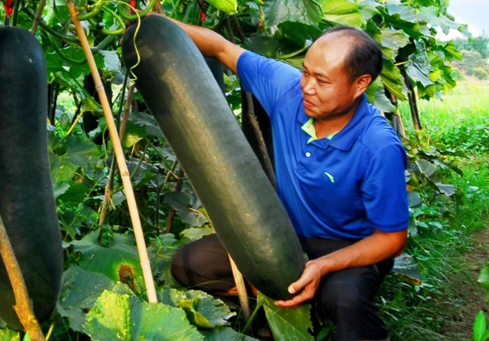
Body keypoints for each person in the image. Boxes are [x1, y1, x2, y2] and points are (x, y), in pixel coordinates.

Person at [157, 15, 410, 341]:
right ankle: (281, 309)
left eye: (322, 80)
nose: (307, 86)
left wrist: (323, 266)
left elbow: (392, 239)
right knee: (189, 264)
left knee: (344, 301)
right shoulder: (287, 89)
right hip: (284, 236)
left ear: (360, 84)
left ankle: (342, 321)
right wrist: (152, 24)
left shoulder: (379, 147)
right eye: (306, 72)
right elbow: (221, 48)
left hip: (348, 248)